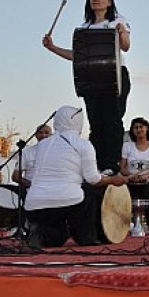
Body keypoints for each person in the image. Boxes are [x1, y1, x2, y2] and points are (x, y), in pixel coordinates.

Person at [42, 0, 131, 174]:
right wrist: (53, 48)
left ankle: (111, 164)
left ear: (109, 2)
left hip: (115, 76)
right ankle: (96, 164)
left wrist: (122, 33)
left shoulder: (117, 21)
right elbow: (77, 56)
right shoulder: (84, 29)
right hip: (91, 78)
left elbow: (125, 47)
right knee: (96, 123)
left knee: (112, 121)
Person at [24, 106, 127, 249]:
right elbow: (93, 179)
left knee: (57, 239)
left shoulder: (43, 144)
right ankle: (86, 237)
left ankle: (39, 231)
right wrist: (113, 180)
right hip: (67, 201)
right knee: (89, 191)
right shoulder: (83, 144)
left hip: (34, 203)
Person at [119, 117, 149, 235]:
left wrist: (147, 175)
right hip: (131, 180)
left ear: (146, 128)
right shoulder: (127, 146)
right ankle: (126, 225)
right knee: (126, 197)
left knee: (148, 195)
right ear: (132, 131)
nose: (139, 130)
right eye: (136, 127)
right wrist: (131, 175)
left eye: (141, 127)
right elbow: (122, 168)